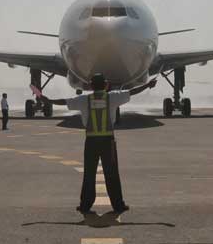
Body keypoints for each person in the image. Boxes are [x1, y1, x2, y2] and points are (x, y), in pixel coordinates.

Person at [41, 73, 157, 214]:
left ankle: (85, 205)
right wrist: (148, 85)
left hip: (91, 142)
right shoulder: (112, 97)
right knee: (112, 174)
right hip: (108, 142)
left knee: (89, 174)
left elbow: (65, 102)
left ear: (90, 86)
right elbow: (132, 92)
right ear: (106, 84)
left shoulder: (84, 99)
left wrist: (48, 100)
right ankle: (118, 205)